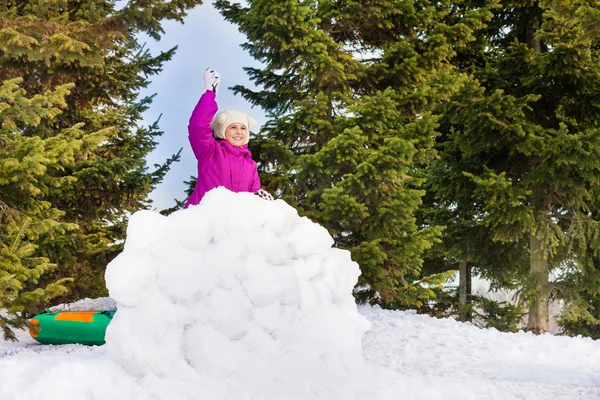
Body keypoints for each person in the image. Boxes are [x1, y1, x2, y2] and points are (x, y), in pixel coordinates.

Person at [185, 68, 272, 207]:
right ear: (222, 131)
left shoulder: (250, 166)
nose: (239, 132)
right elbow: (197, 126)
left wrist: (259, 197)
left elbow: (252, 195)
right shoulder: (210, 152)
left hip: (230, 225)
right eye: (233, 127)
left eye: (243, 128)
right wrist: (209, 94)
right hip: (202, 220)